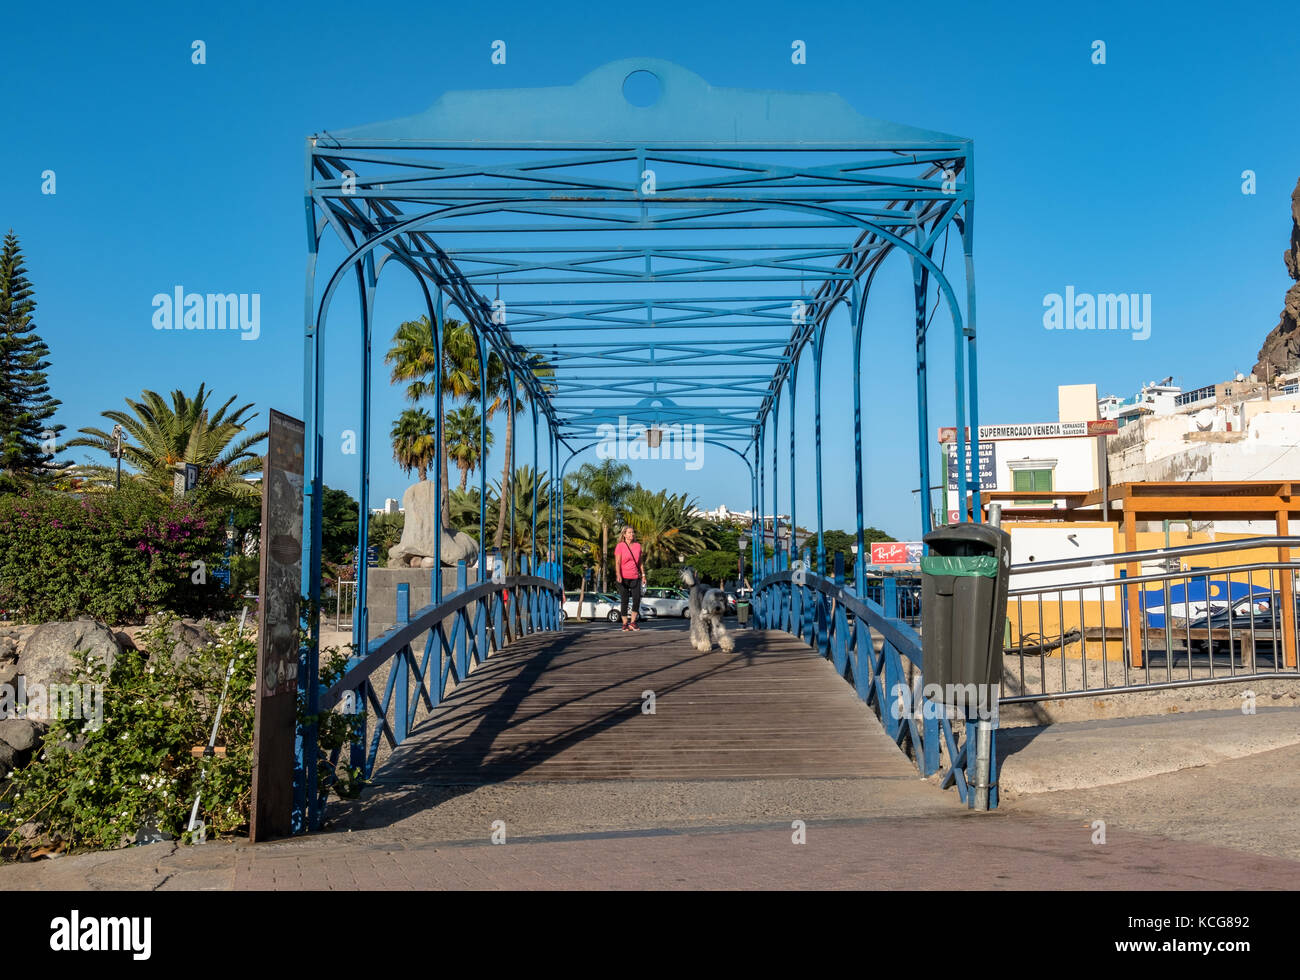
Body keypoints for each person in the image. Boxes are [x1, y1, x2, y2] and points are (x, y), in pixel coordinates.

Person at [613, 525, 646, 632]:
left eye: (632, 532)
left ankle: (632, 622)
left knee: (637, 599)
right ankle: (624, 624)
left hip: (635, 577)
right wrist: (618, 574)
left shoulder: (638, 546)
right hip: (623, 577)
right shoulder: (620, 546)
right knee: (625, 600)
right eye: (629, 532)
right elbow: (617, 562)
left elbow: (640, 562)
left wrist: (643, 575)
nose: (631, 534)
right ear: (624, 534)